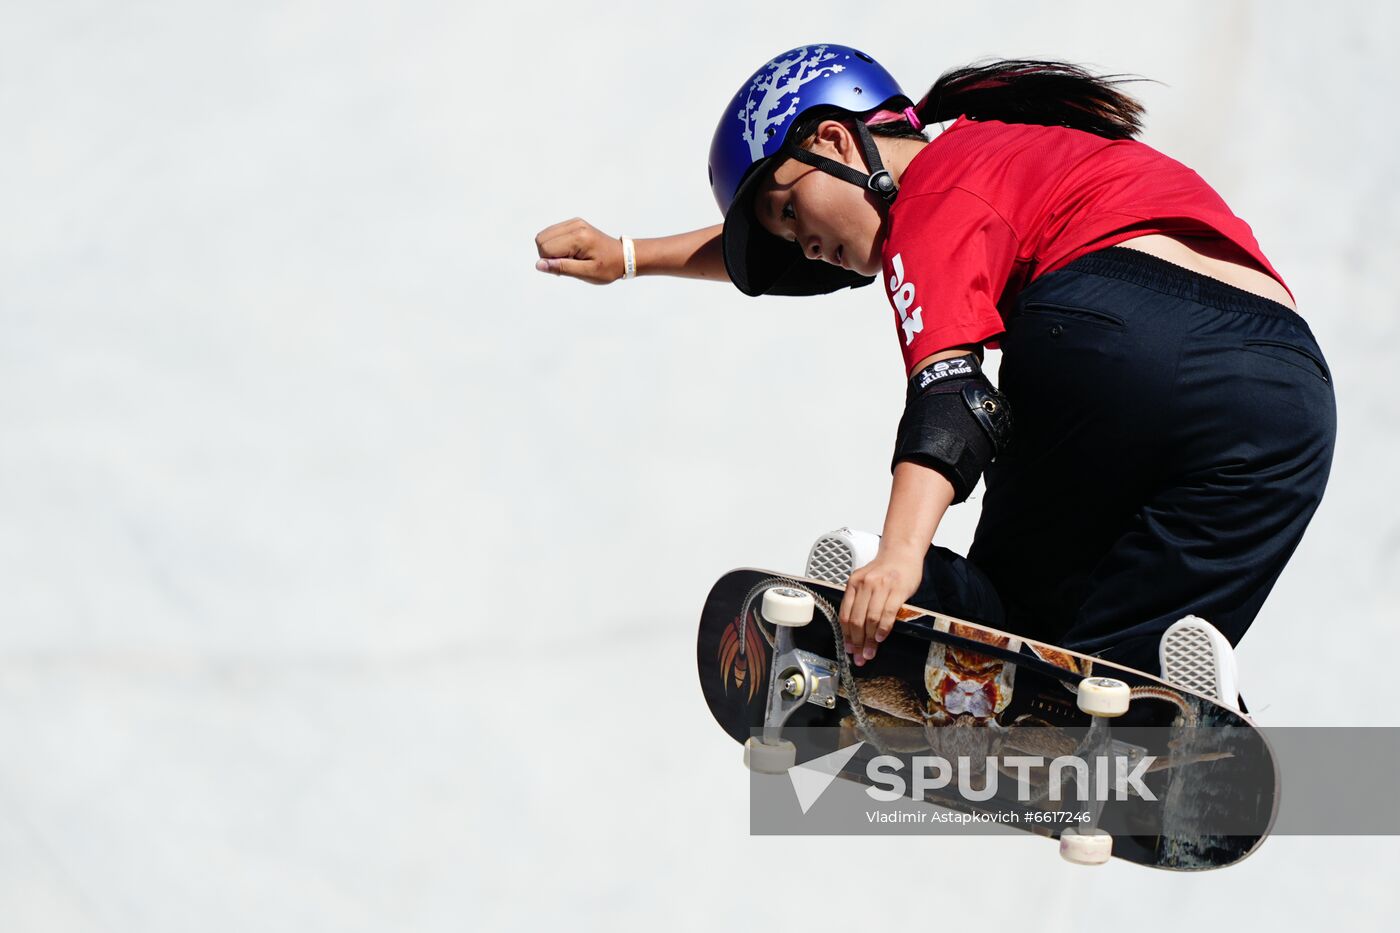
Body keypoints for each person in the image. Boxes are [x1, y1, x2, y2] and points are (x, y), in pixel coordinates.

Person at [533, 45, 1336, 700]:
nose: (804, 247)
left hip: (1109, 334)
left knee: (1006, 615)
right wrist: (634, 256)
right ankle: (1152, 695)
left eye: (788, 215)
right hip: (1284, 389)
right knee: (1100, 652)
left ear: (834, 140)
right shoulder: (1015, 150)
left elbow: (952, 391)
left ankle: (909, 605)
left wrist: (898, 553)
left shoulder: (936, 190)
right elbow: (775, 228)